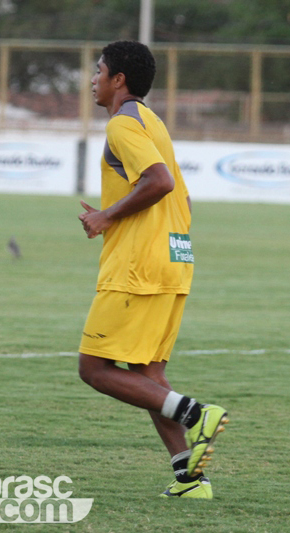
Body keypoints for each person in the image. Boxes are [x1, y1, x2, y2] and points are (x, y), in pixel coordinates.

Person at [77, 40, 228, 499]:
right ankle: (190, 478)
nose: (93, 79)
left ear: (118, 79)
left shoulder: (123, 124)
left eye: (98, 70)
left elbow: (160, 183)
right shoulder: (152, 121)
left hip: (138, 265)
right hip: (174, 258)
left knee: (94, 368)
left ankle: (196, 413)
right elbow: (182, 196)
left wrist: (108, 216)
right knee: (148, 376)